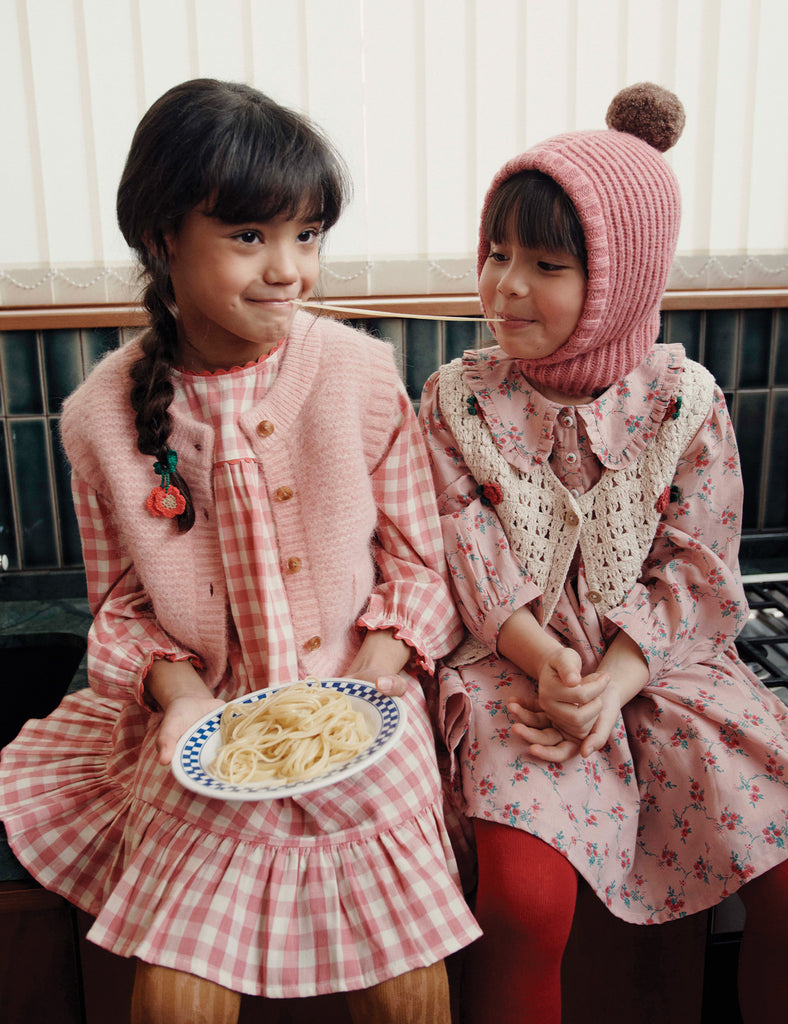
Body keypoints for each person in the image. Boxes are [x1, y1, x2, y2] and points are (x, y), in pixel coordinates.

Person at [0, 78, 480, 1023]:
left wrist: (372, 684)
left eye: (306, 236)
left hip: (366, 709)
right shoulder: (101, 417)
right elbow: (122, 614)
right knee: (177, 993)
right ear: (162, 238)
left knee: (408, 981)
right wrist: (181, 705)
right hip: (210, 731)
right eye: (250, 237)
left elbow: (422, 570)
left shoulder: (358, 371)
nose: (289, 270)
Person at [418, 82, 788, 1024]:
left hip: (662, 663)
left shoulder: (684, 397)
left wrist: (612, 681)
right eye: (497, 253)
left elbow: (699, 568)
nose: (504, 286)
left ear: (623, 276)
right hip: (514, 665)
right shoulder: (456, 398)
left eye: (545, 263)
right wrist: (552, 667)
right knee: (522, 905)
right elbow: (464, 549)